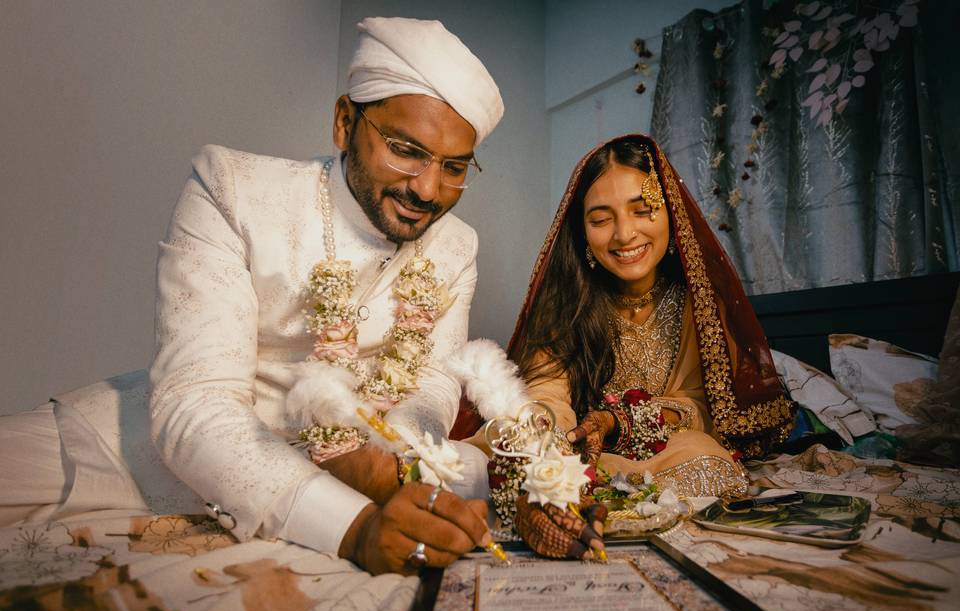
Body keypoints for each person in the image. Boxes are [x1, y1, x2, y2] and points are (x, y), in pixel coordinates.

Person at [149, 17, 503, 576]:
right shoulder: (231, 190)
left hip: (373, 464)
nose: (427, 189)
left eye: (454, 167)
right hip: (187, 461)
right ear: (344, 122)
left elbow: (434, 378)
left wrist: (392, 469)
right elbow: (195, 403)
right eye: (406, 150)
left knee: (501, 471)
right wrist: (356, 528)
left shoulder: (457, 245)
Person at [489, 134, 794, 558]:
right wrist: (547, 447)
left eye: (642, 210)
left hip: (671, 450)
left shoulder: (698, 304)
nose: (624, 234)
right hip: (584, 455)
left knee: (707, 460)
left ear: (670, 212)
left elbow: (705, 410)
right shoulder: (566, 304)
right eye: (601, 219)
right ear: (582, 231)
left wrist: (622, 422)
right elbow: (546, 392)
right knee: (498, 447)